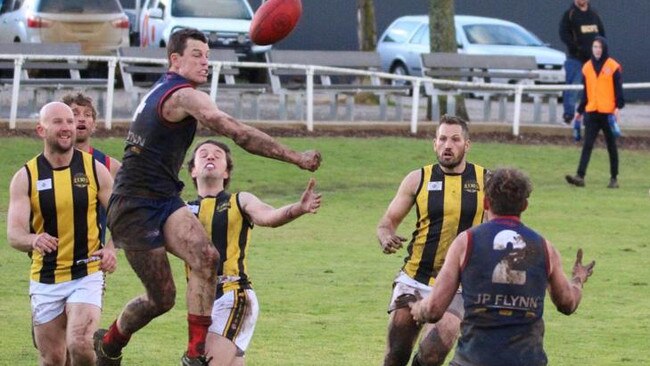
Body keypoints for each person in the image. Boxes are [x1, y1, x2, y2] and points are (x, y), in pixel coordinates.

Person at [94, 28, 321, 366]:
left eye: (208, 56)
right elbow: (238, 132)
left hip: (166, 198)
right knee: (162, 298)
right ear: (175, 59)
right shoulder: (182, 95)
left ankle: (194, 354)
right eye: (198, 55)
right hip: (134, 205)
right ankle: (110, 344)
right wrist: (295, 157)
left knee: (205, 257)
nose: (206, 63)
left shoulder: (164, 89)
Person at [409, 167, 596, 366]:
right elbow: (567, 303)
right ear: (524, 205)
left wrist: (418, 308)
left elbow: (434, 310)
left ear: (485, 202)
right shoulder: (544, 247)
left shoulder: (466, 242)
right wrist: (578, 279)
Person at [185, 140, 322, 366]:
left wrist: (298, 208)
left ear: (226, 171)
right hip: (201, 304)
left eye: (217, 155)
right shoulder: (182, 210)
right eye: (203, 154)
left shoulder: (239, 200)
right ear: (192, 169)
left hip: (233, 295)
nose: (210, 157)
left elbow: (269, 216)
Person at [6, 102, 117, 365]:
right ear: (40, 130)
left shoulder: (94, 169)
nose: (67, 127)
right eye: (58, 122)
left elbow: (122, 219)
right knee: (53, 359)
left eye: (69, 121)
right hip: (46, 277)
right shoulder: (26, 176)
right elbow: (14, 234)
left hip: (87, 272)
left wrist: (111, 248)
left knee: (79, 344)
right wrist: (33, 239)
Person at [376, 115, 488, 366]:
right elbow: (387, 223)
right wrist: (385, 237)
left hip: (459, 283)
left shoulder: (485, 181)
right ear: (434, 143)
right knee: (396, 355)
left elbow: (496, 229)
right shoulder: (417, 179)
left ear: (467, 145)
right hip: (415, 276)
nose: (448, 145)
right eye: (442, 139)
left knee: (434, 351)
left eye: (455, 139)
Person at [565, 36, 624, 189]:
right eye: (595, 47)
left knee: (611, 145)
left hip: (608, 113)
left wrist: (617, 107)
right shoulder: (587, 67)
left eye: (599, 47)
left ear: (604, 49)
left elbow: (619, 92)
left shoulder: (613, 66)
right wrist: (580, 111)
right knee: (587, 145)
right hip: (592, 111)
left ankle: (614, 178)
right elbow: (587, 92)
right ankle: (580, 176)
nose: (597, 50)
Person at [559, 0, 606, 124]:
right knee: (573, 88)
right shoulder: (570, 14)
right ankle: (568, 116)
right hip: (576, 59)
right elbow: (564, 34)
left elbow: (601, 34)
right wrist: (576, 48)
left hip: (592, 60)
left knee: (591, 89)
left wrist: (600, 51)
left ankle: (588, 116)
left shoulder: (594, 14)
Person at [61, 92, 122, 179]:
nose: (82, 119)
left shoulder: (111, 166)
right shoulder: (46, 164)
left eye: (87, 115)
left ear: (93, 124)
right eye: (75, 114)